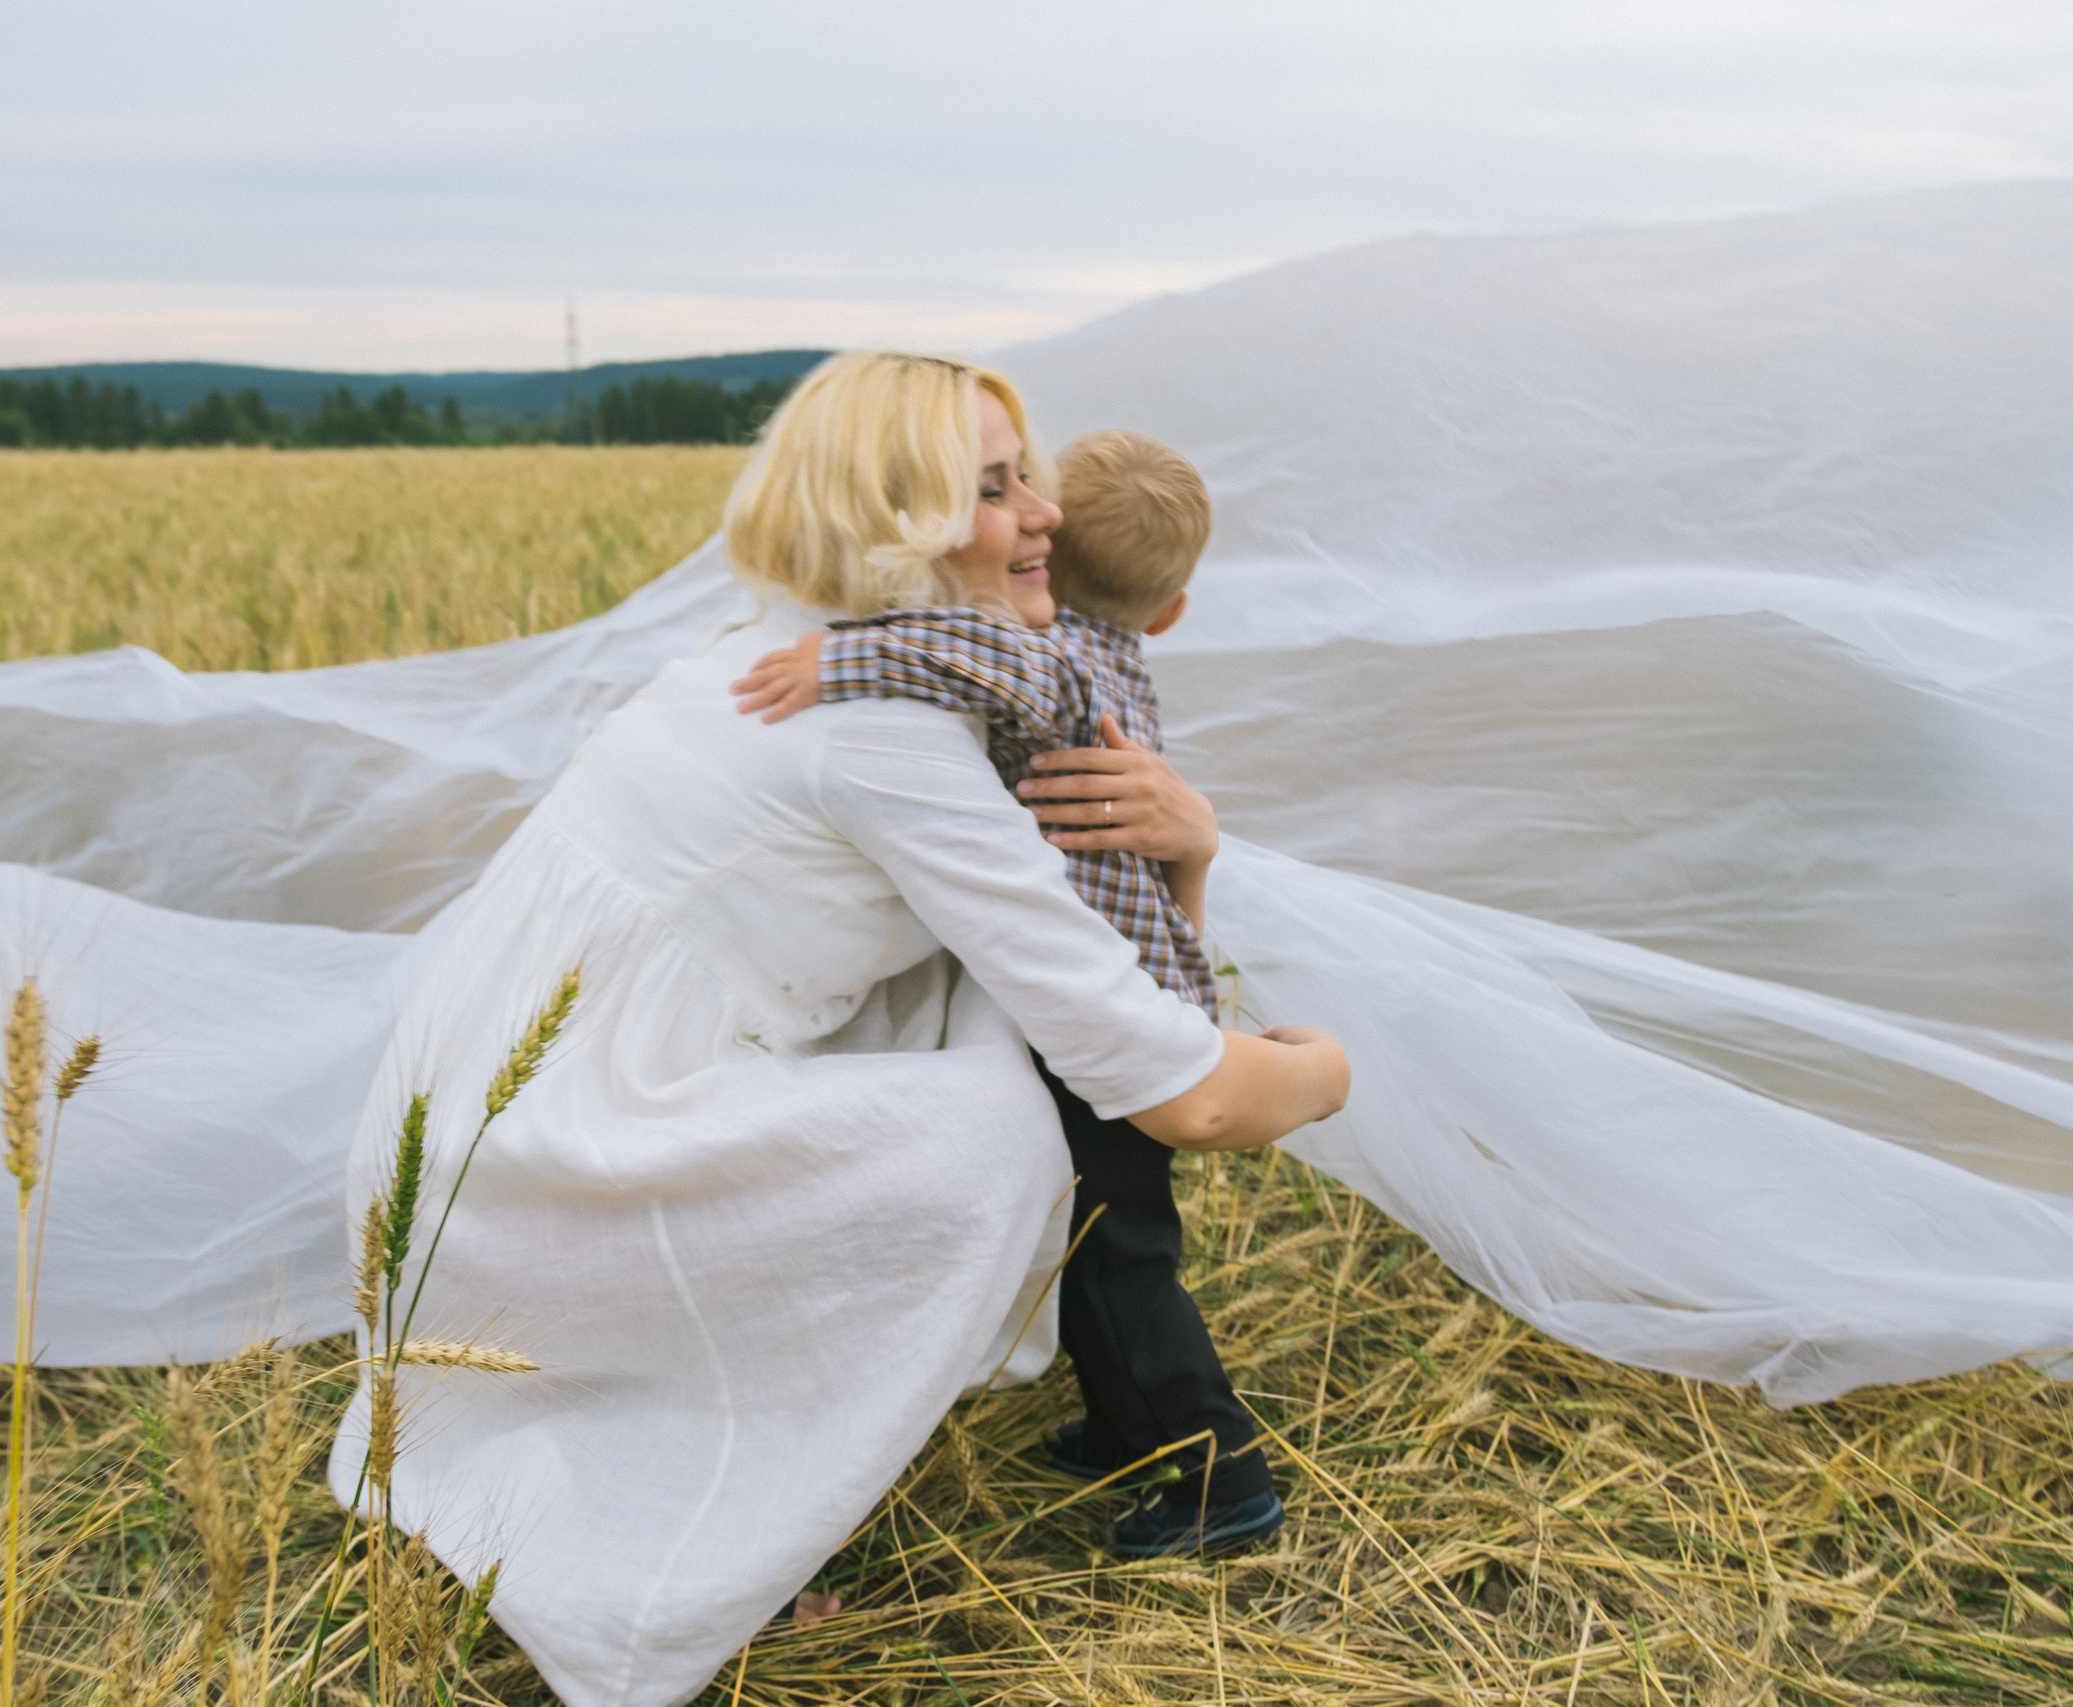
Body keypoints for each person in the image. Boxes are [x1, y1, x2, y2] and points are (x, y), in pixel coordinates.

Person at [328, 351, 1350, 1706]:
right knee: (998, 1130)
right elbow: (1184, 1095)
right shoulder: (883, 734)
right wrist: (1322, 1069)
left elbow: (1076, 927)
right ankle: (712, 1515)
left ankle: (700, 1421)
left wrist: (1194, 847)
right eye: (992, 489)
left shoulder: (781, 644)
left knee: (994, 1030)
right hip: (556, 1157)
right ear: (900, 525)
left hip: (475, 1140)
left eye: (1027, 469)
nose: (1043, 513)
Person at [727, 429, 1284, 1556]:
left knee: (1113, 1248)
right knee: (1090, 1231)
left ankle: (1214, 1476)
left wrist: (836, 664)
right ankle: (1128, 1425)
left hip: (1104, 1007)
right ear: (1169, 612)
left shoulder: (1049, 657)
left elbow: (971, 660)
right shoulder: (1122, 654)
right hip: (1134, 982)